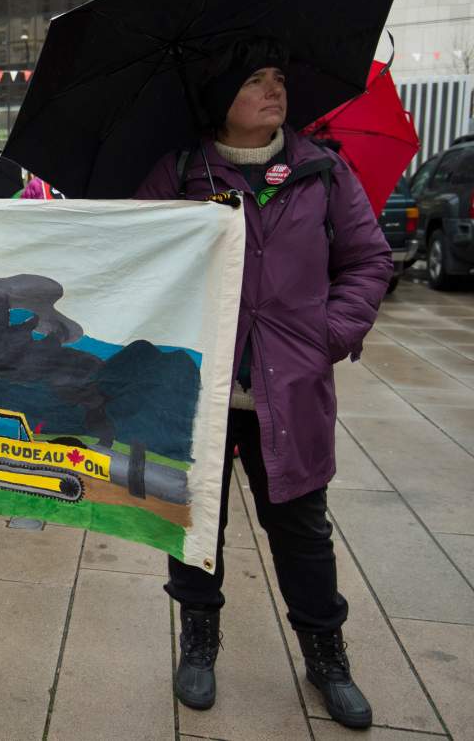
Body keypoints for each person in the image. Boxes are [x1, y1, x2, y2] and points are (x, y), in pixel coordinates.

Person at [135, 37, 390, 730]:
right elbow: (131, 254)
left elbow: (369, 260)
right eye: (255, 80)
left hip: (291, 392)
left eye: (278, 78)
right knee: (194, 524)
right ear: (221, 97)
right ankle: (199, 639)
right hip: (198, 393)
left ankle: (326, 656)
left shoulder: (322, 171)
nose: (274, 90)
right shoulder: (181, 172)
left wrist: (326, 335)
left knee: (303, 534)